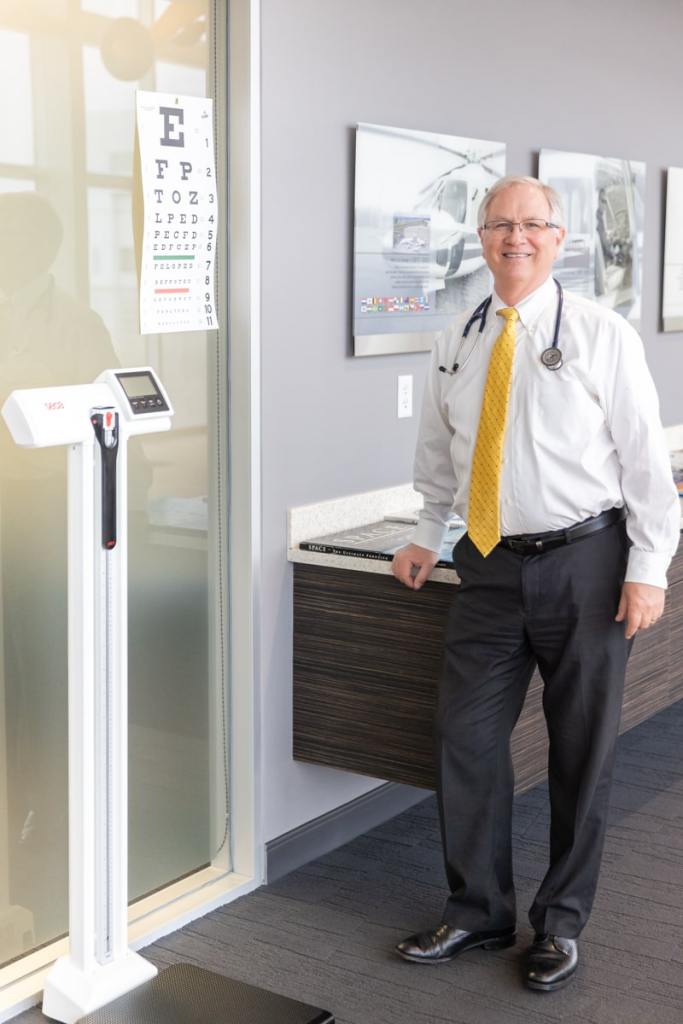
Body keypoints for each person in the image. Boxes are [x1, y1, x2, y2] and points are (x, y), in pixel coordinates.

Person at [391, 175, 680, 992]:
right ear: (479, 239)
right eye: (497, 225)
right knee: (464, 737)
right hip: (487, 564)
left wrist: (647, 570)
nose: (513, 238)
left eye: (530, 224)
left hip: (586, 563)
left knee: (579, 749)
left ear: (558, 239)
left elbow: (643, 463)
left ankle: (559, 923)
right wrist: (423, 533)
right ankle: (477, 911)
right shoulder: (459, 335)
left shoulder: (598, 333)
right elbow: (441, 452)